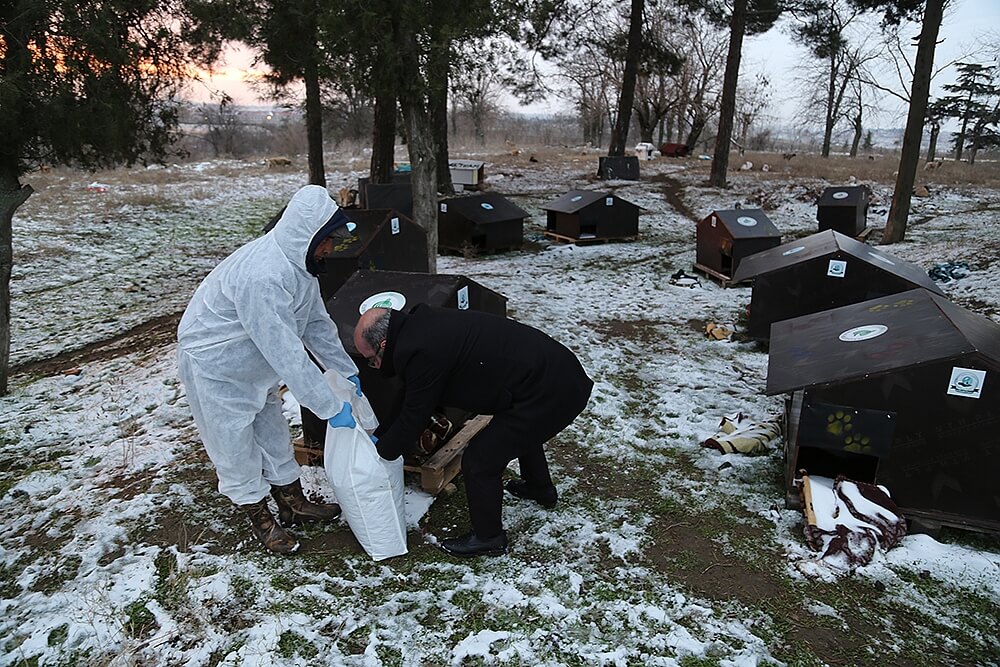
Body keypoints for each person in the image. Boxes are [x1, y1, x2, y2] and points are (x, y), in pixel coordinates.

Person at [177, 185, 363, 554]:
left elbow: (315, 325)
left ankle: (293, 504)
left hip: (252, 362)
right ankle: (260, 518)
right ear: (307, 236)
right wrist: (329, 407)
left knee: (273, 431)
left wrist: (347, 371)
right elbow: (286, 351)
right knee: (234, 444)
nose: (331, 249)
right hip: (216, 366)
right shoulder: (262, 276)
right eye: (328, 241)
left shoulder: (300, 267)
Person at [353, 305, 593, 558]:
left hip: (555, 388)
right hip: (550, 375)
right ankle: (539, 487)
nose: (376, 366)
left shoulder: (422, 351)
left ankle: (489, 538)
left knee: (480, 459)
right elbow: (409, 396)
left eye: (372, 360)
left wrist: (380, 456)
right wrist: (380, 435)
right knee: (518, 428)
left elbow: (415, 415)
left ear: (384, 342)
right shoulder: (419, 330)